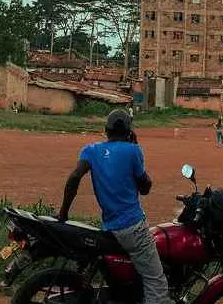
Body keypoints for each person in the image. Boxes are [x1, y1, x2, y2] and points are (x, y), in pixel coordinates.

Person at [57, 109, 168, 304]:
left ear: (106, 130)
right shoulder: (133, 151)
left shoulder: (90, 150)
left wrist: (63, 212)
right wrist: (133, 145)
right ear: (128, 131)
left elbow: (74, 177)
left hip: (110, 226)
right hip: (133, 228)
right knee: (156, 282)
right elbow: (145, 187)